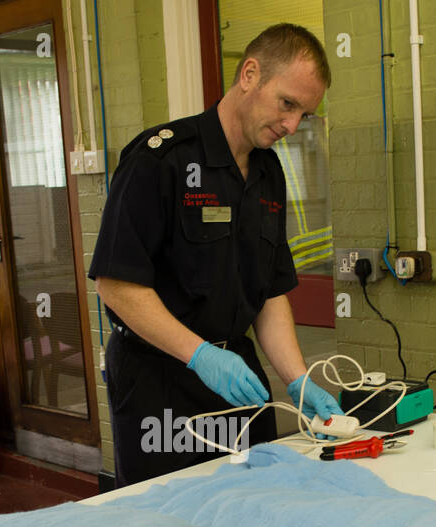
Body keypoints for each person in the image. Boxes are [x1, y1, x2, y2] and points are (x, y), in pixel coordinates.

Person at [89, 22, 344, 487]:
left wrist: (298, 378)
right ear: (249, 74)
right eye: (287, 104)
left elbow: (269, 292)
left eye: (304, 114)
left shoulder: (268, 174)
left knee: (255, 508)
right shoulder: (159, 159)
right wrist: (199, 355)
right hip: (159, 383)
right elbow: (117, 284)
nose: (292, 125)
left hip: (237, 382)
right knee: (167, 523)